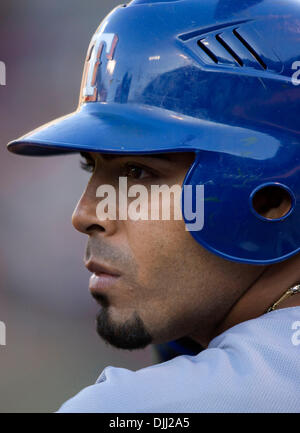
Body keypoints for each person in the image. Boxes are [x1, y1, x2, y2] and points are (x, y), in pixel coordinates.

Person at [7, 0, 300, 413]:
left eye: (140, 173)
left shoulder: (131, 409)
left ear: (272, 197)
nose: (87, 214)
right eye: (91, 166)